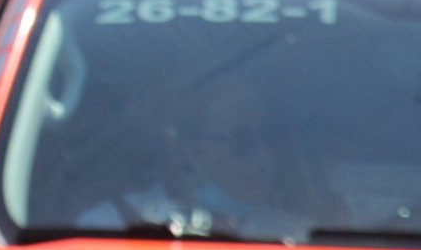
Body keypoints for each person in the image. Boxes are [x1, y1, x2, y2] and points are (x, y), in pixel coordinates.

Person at [76, 82, 311, 241]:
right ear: (193, 148)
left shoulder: (295, 237)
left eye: (270, 138)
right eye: (243, 140)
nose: (263, 155)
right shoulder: (108, 227)